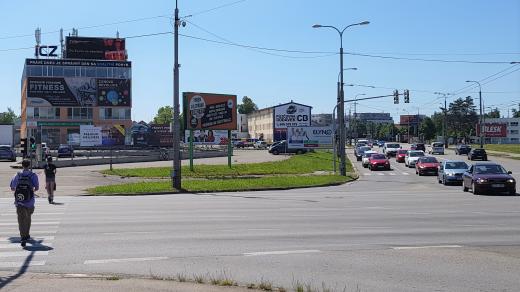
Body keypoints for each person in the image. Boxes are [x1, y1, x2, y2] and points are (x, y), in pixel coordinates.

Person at [10, 160, 39, 247]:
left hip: (19, 202)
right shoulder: (33, 175)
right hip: (30, 202)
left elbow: (12, 187)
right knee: (28, 218)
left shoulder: (17, 175)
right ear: (29, 165)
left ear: (22, 165)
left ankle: (23, 237)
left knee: (21, 220)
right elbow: (36, 188)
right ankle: (26, 235)